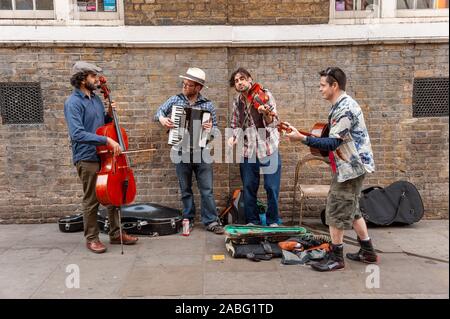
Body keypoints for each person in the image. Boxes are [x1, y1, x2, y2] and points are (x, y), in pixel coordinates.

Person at [285, 67, 378, 271]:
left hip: (351, 169)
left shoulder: (345, 109)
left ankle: (336, 257)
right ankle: (368, 251)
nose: (319, 89)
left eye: (322, 85)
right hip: (351, 166)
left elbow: (333, 143)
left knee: (335, 210)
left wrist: (301, 138)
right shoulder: (339, 105)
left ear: (334, 85)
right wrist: (300, 134)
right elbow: (330, 139)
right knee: (352, 210)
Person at [64, 61, 138, 254]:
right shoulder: (73, 103)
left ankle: (115, 233)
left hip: (104, 156)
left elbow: (103, 124)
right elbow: (77, 134)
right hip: (87, 157)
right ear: (81, 79)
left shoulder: (96, 99)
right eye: (93, 76)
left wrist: (110, 114)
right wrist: (106, 140)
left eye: (97, 76)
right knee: (92, 199)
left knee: (113, 194)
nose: (97, 80)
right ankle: (92, 238)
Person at [155, 67, 224, 234]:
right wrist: (163, 119)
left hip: (202, 151)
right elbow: (158, 113)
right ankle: (189, 218)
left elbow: (215, 131)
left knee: (206, 190)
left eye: (188, 85)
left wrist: (209, 128)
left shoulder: (207, 105)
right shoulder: (175, 100)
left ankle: (211, 221)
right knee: (185, 189)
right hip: (180, 150)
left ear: (198, 87)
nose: (184, 87)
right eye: (184, 84)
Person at [227, 68, 282, 227]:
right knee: (249, 187)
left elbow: (272, 122)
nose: (239, 83)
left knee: (271, 187)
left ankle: (273, 221)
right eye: (236, 81)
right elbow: (235, 123)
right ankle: (252, 220)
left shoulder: (265, 95)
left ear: (250, 80)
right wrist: (233, 137)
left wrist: (265, 113)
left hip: (268, 148)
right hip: (248, 150)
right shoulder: (237, 101)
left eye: (242, 79)